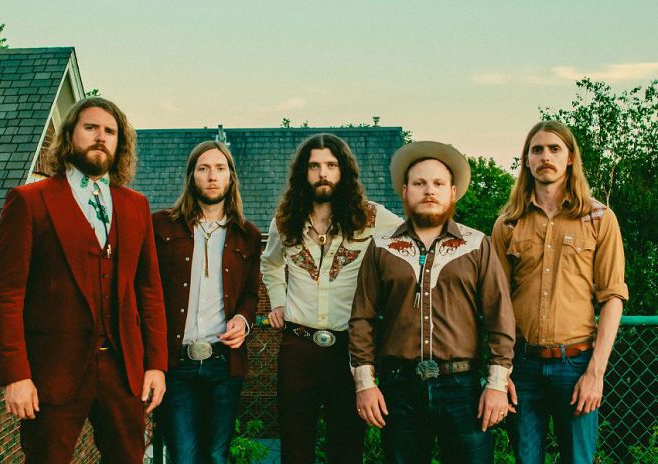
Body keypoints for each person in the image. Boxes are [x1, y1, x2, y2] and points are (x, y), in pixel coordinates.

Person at [0, 97, 168, 463]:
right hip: (50, 372)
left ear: (120, 144)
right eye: (90, 128)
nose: (100, 137)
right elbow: (7, 294)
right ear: (70, 136)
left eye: (110, 131)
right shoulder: (29, 201)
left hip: (123, 370)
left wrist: (156, 364)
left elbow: (149, 291)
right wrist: (15, 375)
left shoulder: (136, 206)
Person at [349, 141, 516, 464]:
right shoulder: (382, 247)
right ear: (405, 190)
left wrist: (496, 384)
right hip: (399, 388)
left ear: (452, 192)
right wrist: (365, 384)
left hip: (462, 388)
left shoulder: (476, 245)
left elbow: (500, 318)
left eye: (438, 183)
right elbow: (362, 318)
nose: (429, 190)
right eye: (420, 183)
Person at [260, 133, 404, 464]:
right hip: (298, 347)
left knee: (346, 445)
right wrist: (278, 301)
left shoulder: (372, 217)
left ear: (344, 171)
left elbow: (410, 244)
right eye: (314, 166)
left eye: (331, 165)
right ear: (303, 172)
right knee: (296, 446)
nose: (323, 173)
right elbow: (270, 263)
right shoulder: (285, 219)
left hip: (349, 349)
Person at [491, 121, 629, 463]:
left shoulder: (599, 218)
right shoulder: (507, 223)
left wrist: (595, 373)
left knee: (578, 459)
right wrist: (500, 370)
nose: (545, 157)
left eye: (555, 149)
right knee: (526, 458)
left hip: (577, 363)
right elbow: (497, 302)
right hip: (521, 366)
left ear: (570, 158)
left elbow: (612, 297)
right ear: (526, 160)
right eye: (536, 150)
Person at [152, 141, 261, 464]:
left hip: (223, 364)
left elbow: (251, 294)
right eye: (203, 168)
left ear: (231, 178)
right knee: (183, 456)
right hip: (176, 363)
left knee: (216, 456)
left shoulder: (247, 235)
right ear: (191, 177)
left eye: (220, 168)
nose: (212, 176)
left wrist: (243, 320)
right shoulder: (161, 227)